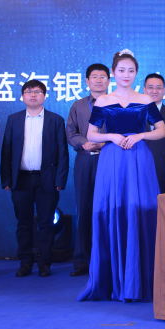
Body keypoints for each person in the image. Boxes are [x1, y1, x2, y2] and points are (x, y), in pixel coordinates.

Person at [79, 50, 165, 302]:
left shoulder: (145, 99)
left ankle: (141, 280)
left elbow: (162, 131)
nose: (126, 75)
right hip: (113, 159)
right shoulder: (103, 101)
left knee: (141, 211)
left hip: (139, 159)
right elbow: (91, 134)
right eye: (121, 70)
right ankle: (114, 280)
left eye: (130, 71)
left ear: (136, 73)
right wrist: (112, 137)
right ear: (113, 73)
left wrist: (140, 135)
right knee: (114, 210)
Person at [0, 80, 69, 277]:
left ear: (44, 96)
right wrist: (6, 179)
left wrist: (60, 180)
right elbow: (6, 151)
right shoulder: (14, 119)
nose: (33, 95)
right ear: (22, 96)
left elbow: (62, 152)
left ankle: (44, 263)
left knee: (46, 223)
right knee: (23, 223)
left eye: (37, 92)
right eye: (28, 91)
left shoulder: (55, 120)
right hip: (21, 179)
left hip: (47, 179)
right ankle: (25, 262)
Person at [65, 63, 110, 276]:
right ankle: (82, 261)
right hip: (85, 161)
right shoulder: (79, 106)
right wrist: (84, 143)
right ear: (87, 81)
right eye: (94, 76)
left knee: (108, 210)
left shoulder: (117, 104)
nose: (99, 80)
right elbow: (70, 132)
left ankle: (107, 261)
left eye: (103, 76)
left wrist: (104, 143)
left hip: (109, 161)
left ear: (109, 80)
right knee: (84, 210)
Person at [144, 73, 165, 194]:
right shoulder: (133, 113)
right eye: (150, 87)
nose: (154, 91)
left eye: (158, 88)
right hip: (138, 169)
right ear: (144, 90)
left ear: (164, 90)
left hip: (163, 172)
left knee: (161, 204)